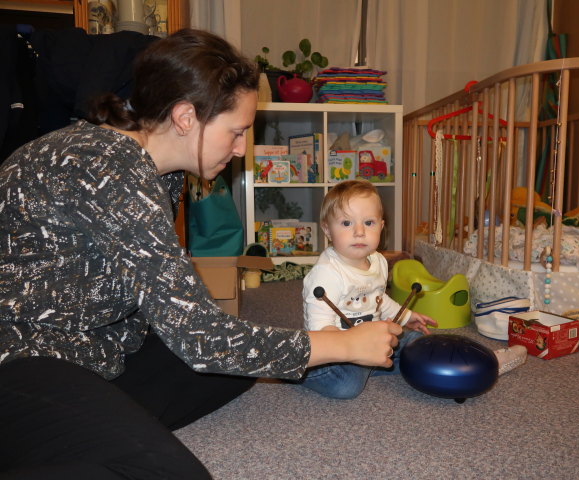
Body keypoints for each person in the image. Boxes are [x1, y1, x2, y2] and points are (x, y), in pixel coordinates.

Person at [0, 29, 402, 479]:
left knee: (238, 362)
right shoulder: (106, 169)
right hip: (22, 357)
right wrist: (343, 343)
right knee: (170, 463)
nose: (240, 148)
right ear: (186, 116)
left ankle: (80, 428)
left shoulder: (158, 170)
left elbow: (172, 305)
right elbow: (202, 338)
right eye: (236, 131)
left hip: (96, 342)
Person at [299, 180, 438, 399]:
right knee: (347, 387)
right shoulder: (326, 274)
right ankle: (300, 372)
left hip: (369, 341)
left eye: (369, 222)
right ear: (327, 229)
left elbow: (379, 299)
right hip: (335, 353)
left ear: (382, 227)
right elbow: (320, 330)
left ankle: (373, 364)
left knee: (415, 342)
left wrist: (406, 317)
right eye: (346, 223)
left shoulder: (379, 262)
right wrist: (354, 352)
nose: (359, 232)